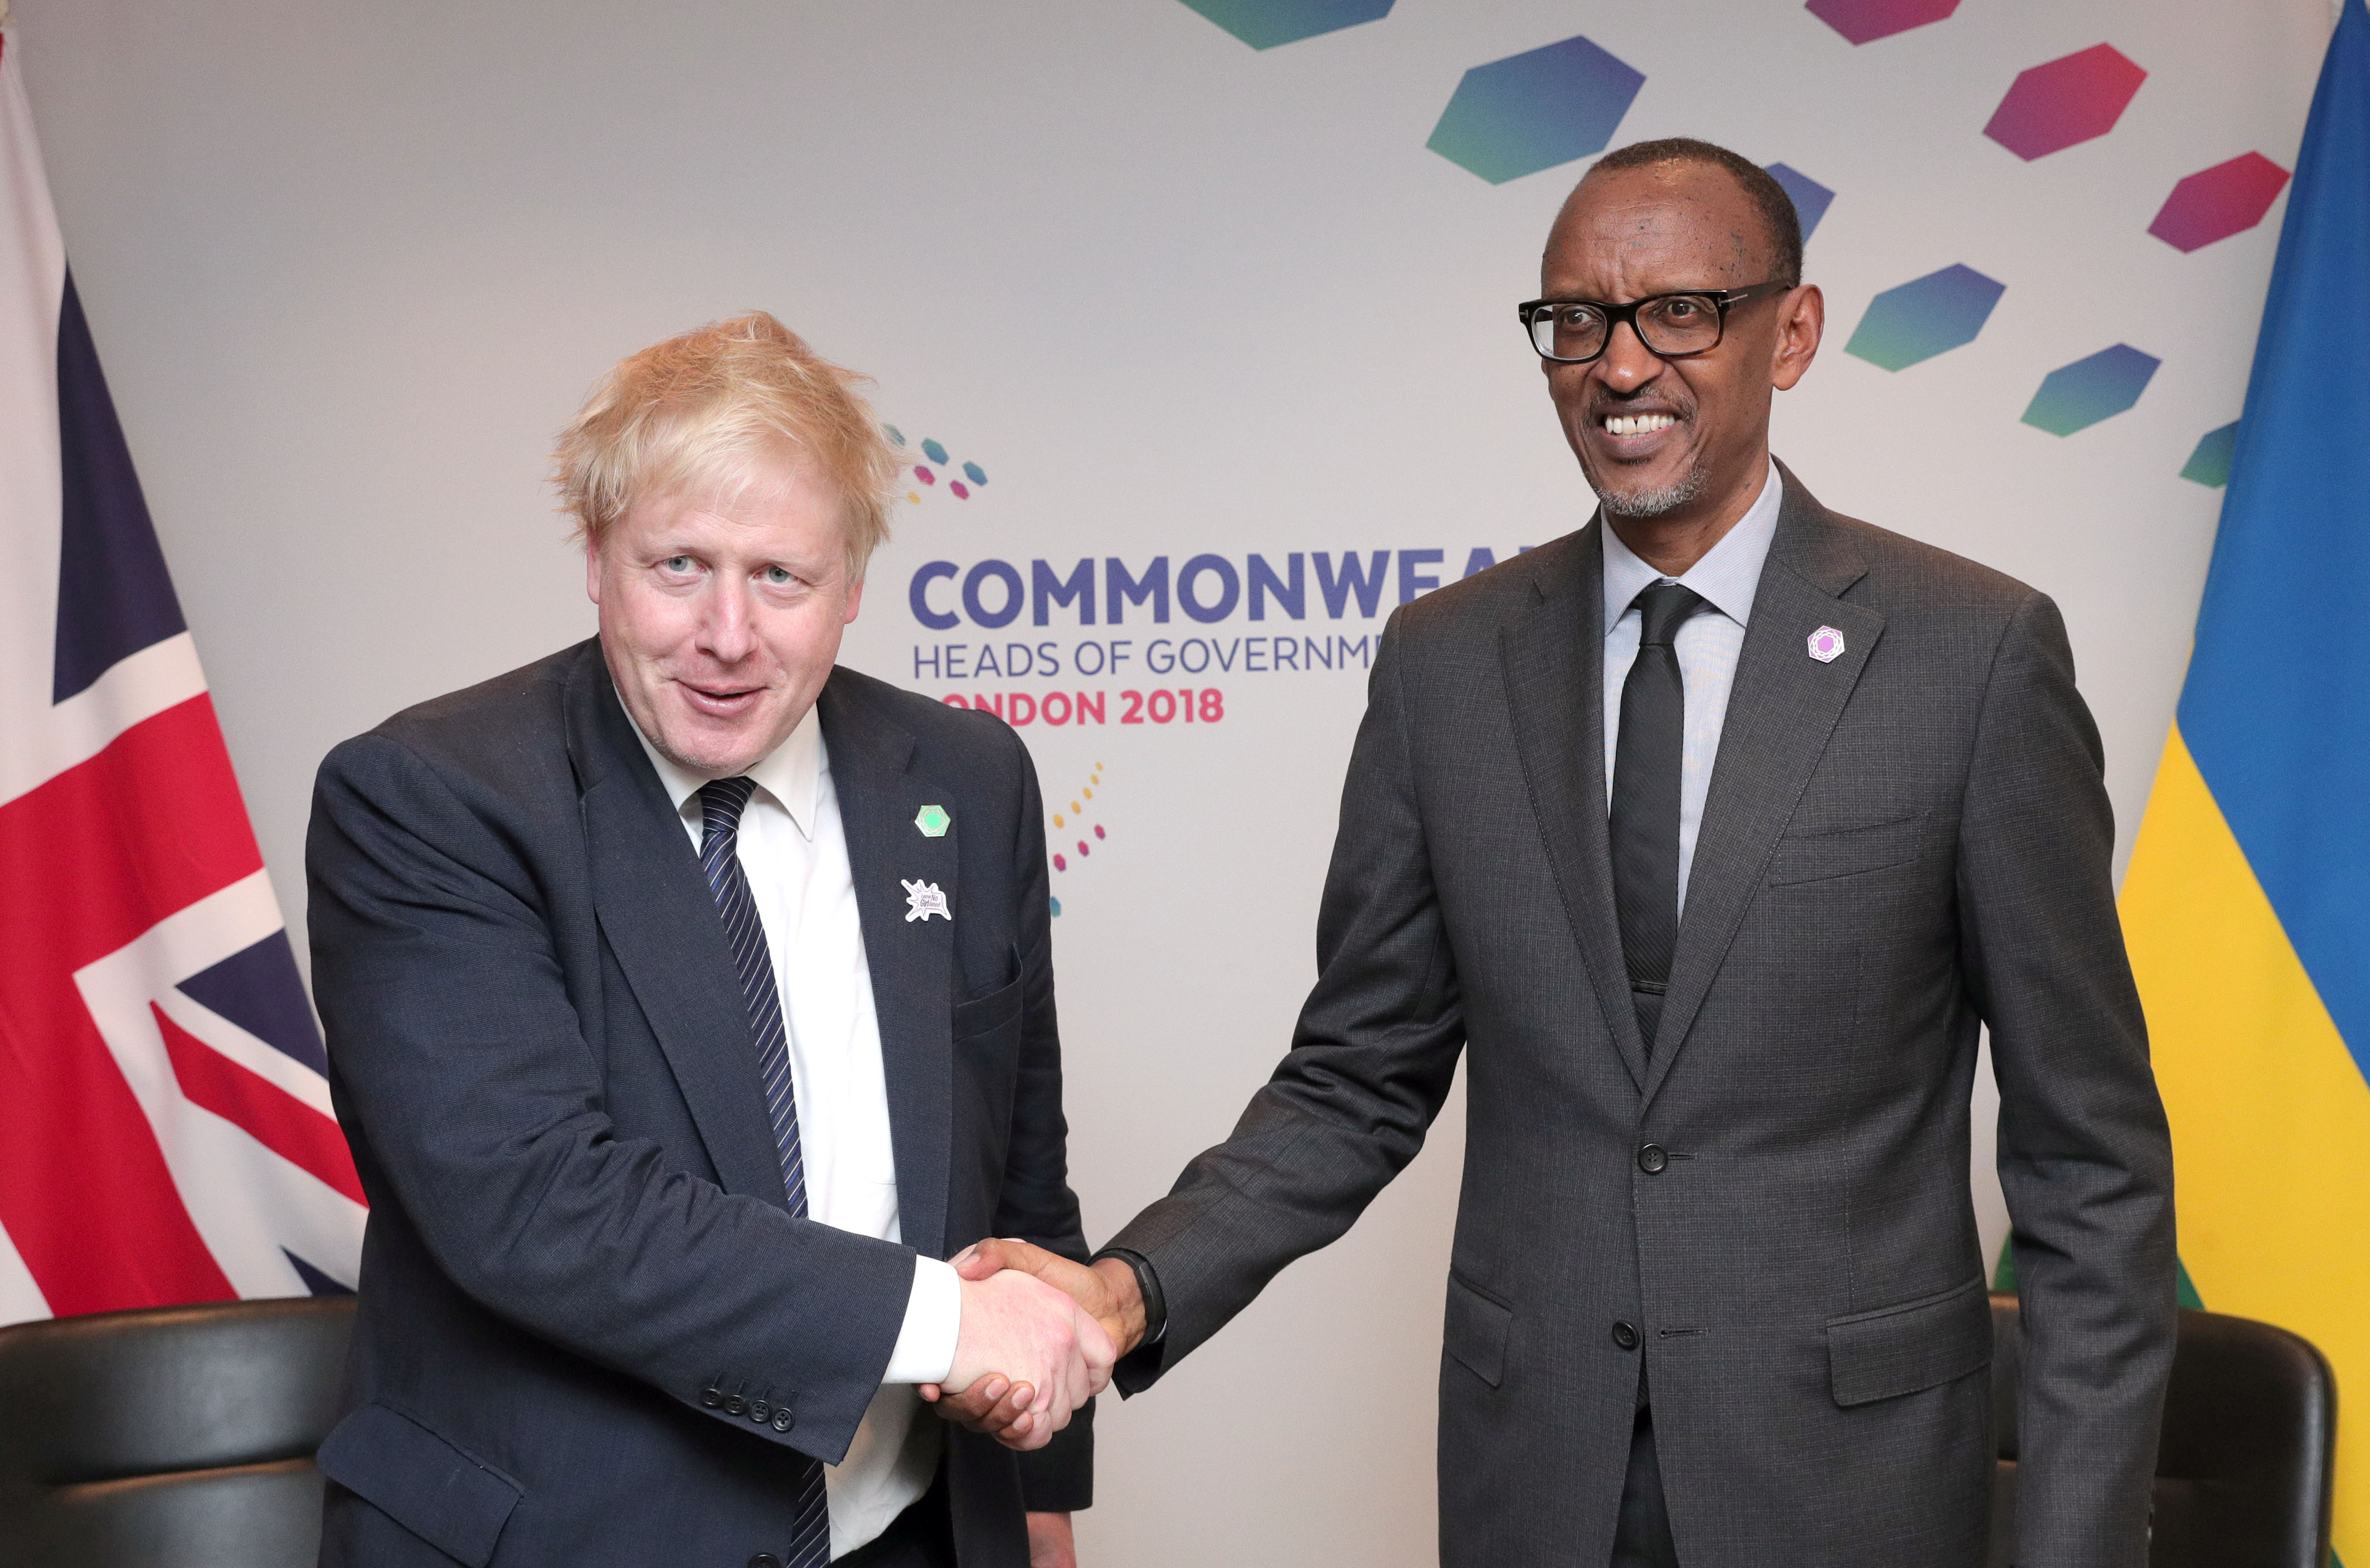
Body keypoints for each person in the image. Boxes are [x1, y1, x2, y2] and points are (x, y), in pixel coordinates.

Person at [960, 139, 2178, 1566]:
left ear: (1791, 333)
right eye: (1577, 320)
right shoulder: (1444, 663)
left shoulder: (1969, 655)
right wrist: (1124, 1291)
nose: (1619, 365)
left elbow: (2089, 1163)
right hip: (1534, 1476)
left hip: (1849, 1487)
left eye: (1680, 311)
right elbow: (1355, 1077)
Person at [307, 313, 1109, 1568]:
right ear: (596, 556)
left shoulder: (966, 776)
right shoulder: (429, 795)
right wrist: (947, 1324)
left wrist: (1040, 1491)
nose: (728, 635)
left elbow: (1017, 1167)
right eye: (679, 565)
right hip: (564, 1541)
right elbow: (534, 1200)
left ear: (853, 585)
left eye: (781, 577)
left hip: (910, 1530)